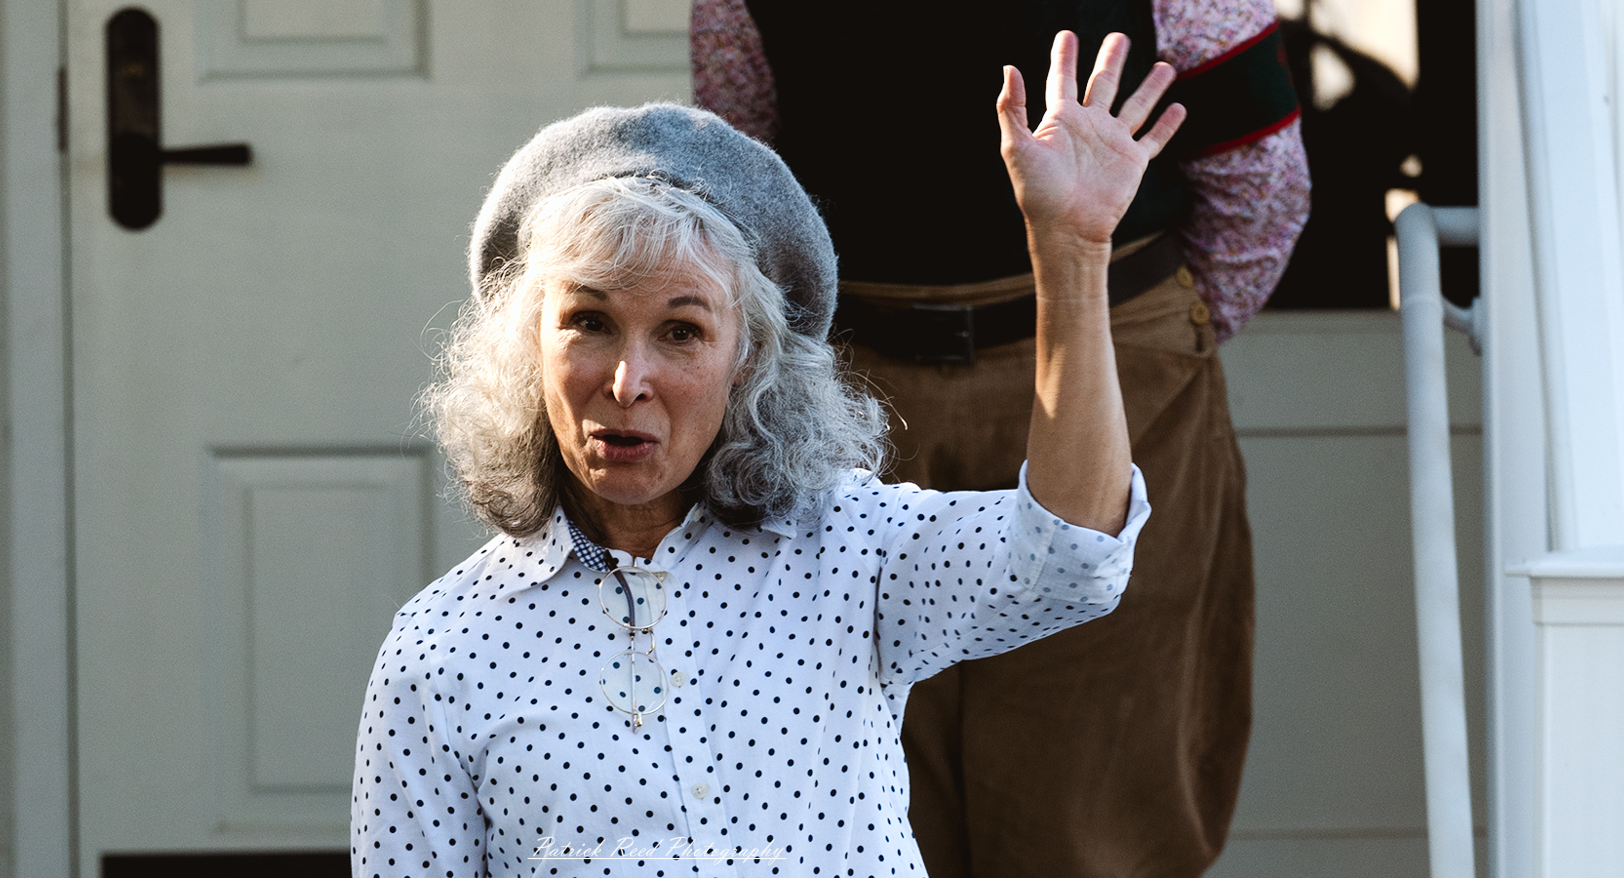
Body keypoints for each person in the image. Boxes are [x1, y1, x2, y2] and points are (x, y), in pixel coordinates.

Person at [353, 32, 1177, 877]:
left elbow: (1070, 554)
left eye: (681, 332)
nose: (628, 382)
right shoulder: (443, 649)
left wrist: (1073, 254)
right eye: (589, 323)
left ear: (747, 358)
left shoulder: (852, 550)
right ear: (531, 344)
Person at [694, 2, 1309, 875]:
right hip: (851, 387)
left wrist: (1142, 334)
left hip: (1110, 362)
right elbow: (743, 173)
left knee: (1099, 779)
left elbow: (1262, 186)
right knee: (864, 767)